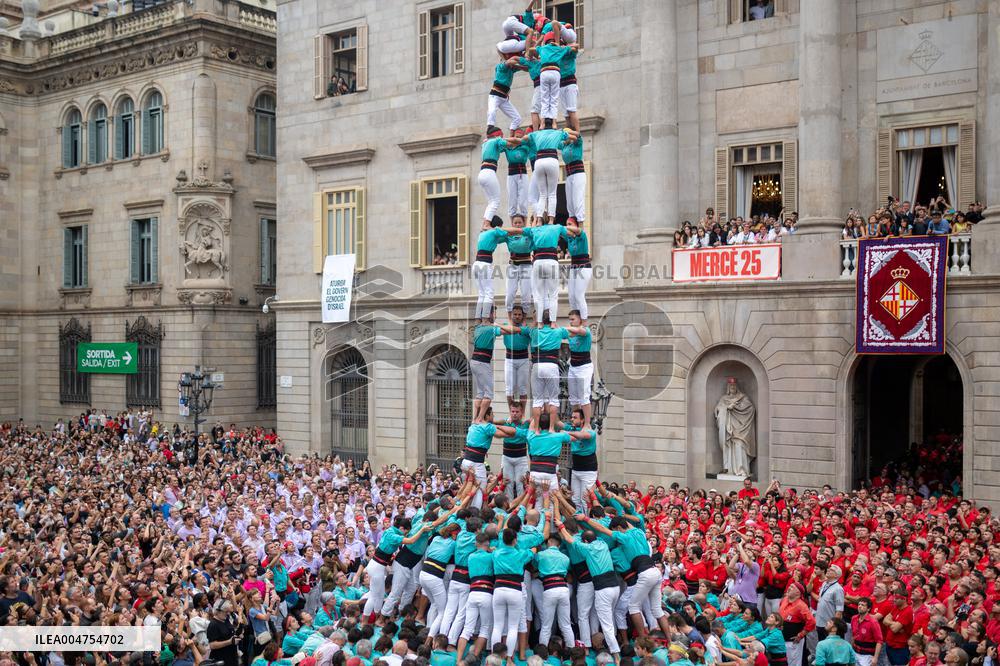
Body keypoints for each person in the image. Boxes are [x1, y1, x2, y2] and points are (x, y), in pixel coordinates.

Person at [499, 307, 532, 410]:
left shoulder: (527, 329)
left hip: (523, 360)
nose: (517, 316)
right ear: (511, 315)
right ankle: (512, 413)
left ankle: (521, 414)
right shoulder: (505, 327)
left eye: (519, 314)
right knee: (509, 390)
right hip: (510, 360)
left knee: (523, 389)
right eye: (515, 314)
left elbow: (517, 330)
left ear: (523, 316)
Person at [566, 218, 592, 323]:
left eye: (570, 224)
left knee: (579, 295)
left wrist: (563, 227)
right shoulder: (569, 238)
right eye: (566, 224)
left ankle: (584, 322)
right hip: (573, 267)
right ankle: (575, 319)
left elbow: (578, 231)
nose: (567, 226)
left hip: (584, 267)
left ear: (576, 226)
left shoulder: (582, 235)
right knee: (571, 297)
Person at [486, 56, 522, 131]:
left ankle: (512, 132)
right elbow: (509, 62)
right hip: (495, 96)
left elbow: (524, 67)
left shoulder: (511, 70)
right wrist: (520, 59)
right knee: (492, 111)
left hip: (504, 99)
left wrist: (529, 62)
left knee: (517, 118)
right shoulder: (500, 67)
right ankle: (490, 129)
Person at [852, 597, 884, 666]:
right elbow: (853, 636)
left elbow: (879, 641)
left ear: (868, 609)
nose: (860, 606)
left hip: (867, 656)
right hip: (855, 652)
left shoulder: (873, 622)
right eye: (859, 604)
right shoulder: (854, 619)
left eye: (863, 605)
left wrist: (875, 658)